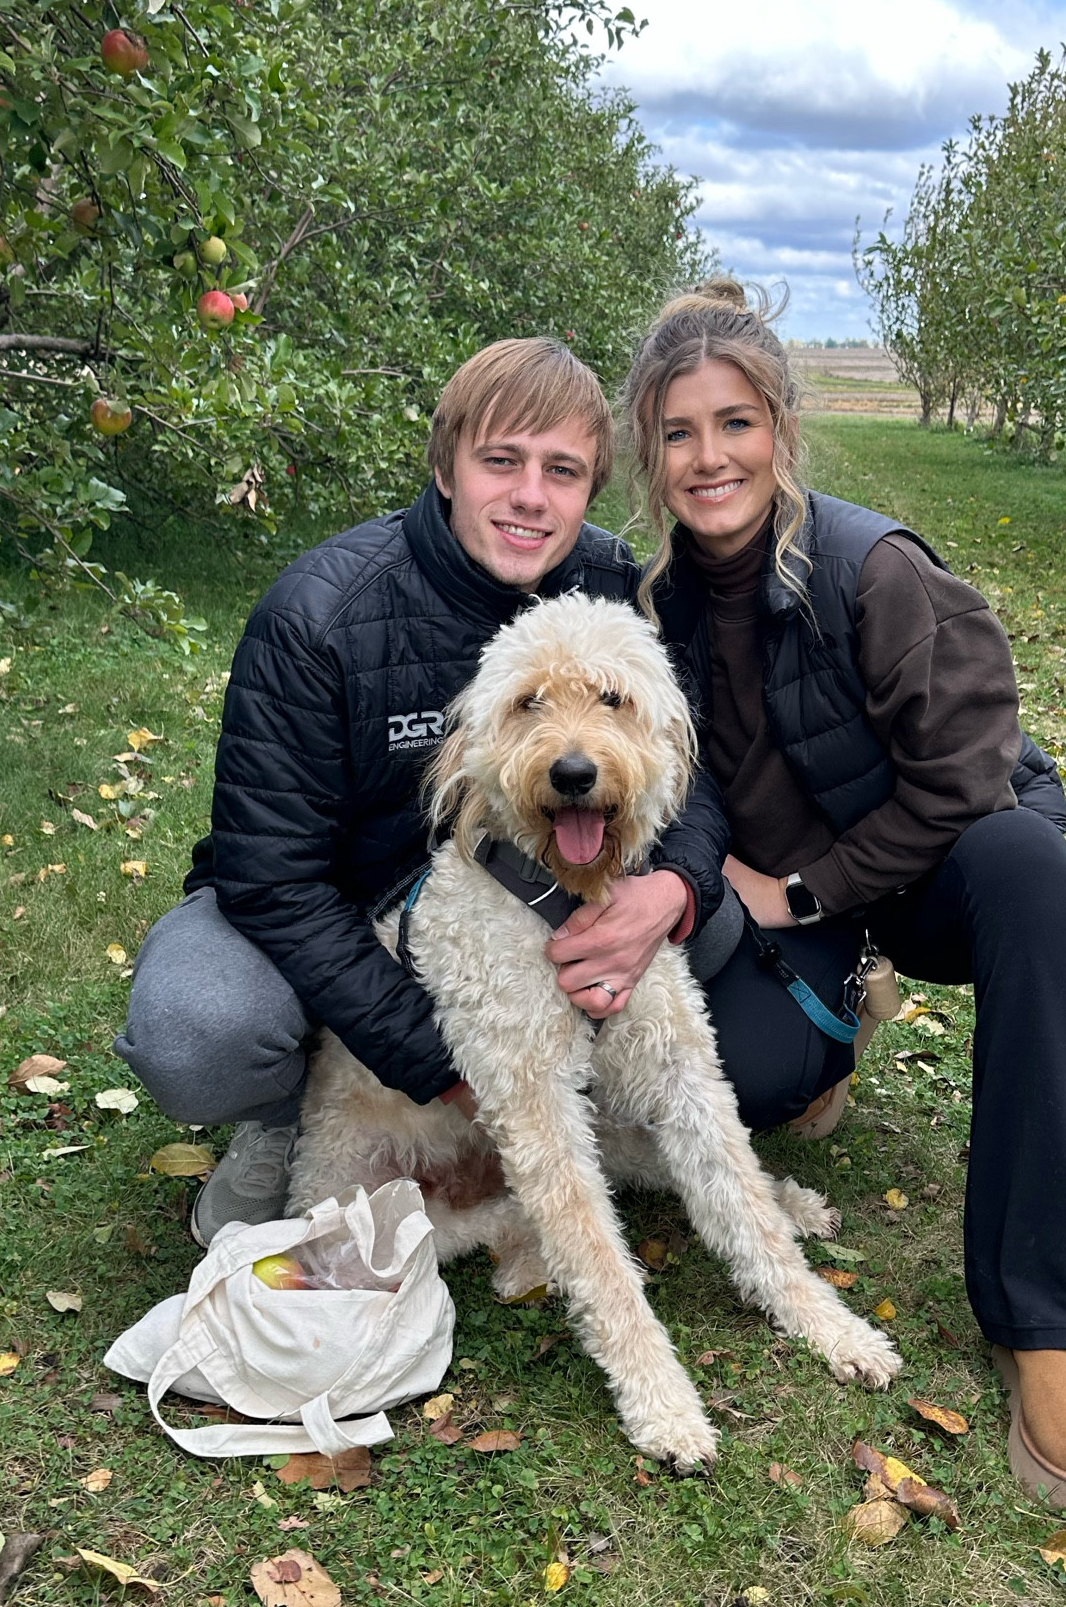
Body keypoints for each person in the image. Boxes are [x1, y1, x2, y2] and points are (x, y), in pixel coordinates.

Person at [610, 277, 1066, 1520]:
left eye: (735, 422)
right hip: (809, 908)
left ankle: (1055, 1318)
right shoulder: (657, 607)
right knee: (741, 1081)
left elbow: (968, 779)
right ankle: (834, 1034)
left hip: (938, 870)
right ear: (649, 450)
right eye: (679, 431)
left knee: (1029, 870)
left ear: (781, 429)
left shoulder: (873, 565)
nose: (709, 455)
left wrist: (801, 888)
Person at [116, 337, 729, 1247]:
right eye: (501, 461)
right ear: (446, 467)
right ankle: (288, 1124)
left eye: (561, 470)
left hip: (518, 898)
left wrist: (673, 886)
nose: (530, 495)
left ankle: (569, 1107)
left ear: (590, 487)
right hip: (335, 904)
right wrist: (446, 1064)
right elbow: (270, 880)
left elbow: (689, 764)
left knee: (709, 925)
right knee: (199, 1027)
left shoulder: (616, 587)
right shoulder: (316, 616)